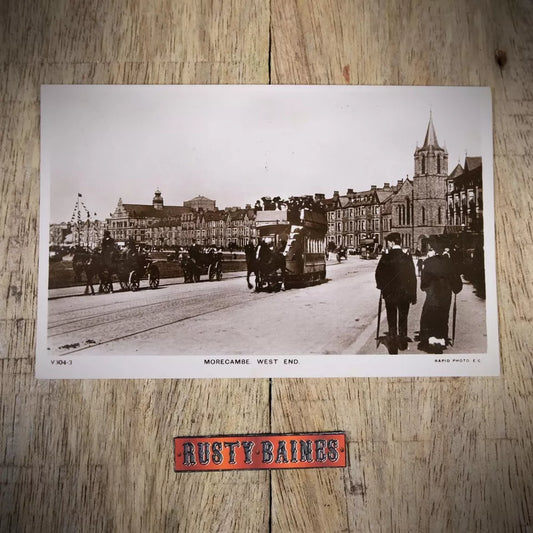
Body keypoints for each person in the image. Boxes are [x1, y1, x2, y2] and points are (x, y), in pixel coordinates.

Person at [417, 235, 463, 354]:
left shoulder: (428, 262)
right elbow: (457, 285)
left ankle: (431, 340)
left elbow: (423, 284)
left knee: (429, 317)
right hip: (445, 297)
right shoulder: (450, 263)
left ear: (433, 249)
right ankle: (441, 339)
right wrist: (454, 289)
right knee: (443, 317)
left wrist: (428, 290)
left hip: (432, 297)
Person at [375, 232, 417, 354]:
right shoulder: (407, 257)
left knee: (391, 319)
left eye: (388, 242)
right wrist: (413, 295)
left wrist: (382, 288)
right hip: (404, 295)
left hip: (390, 295)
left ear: (392, 242)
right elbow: (412, 277)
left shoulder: (386, 257)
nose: (387, 244)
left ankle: (392, 346)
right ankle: (402, 343)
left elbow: (378, 274)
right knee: (403, 318)